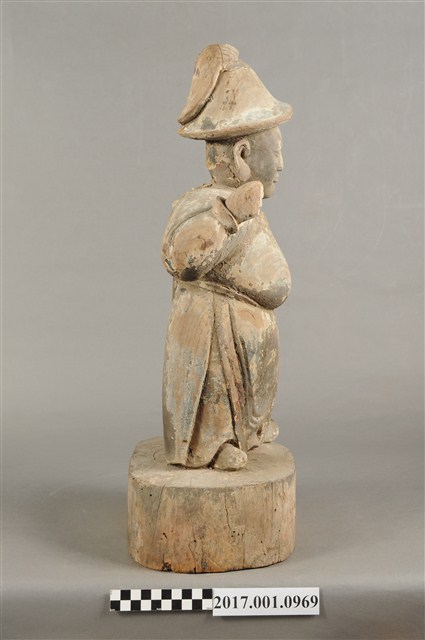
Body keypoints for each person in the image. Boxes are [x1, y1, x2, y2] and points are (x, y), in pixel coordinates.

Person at [162, 44, 293, 471]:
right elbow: (181, 257)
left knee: (246, 382)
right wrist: (229, 216)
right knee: (214, 383)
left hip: (246, 338)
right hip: (215, 331)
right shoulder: (207, 204)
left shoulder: (248, 204)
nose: (282, 164)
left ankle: (247, 432)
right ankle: (211, 444)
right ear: (242, 156)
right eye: (276, 152)